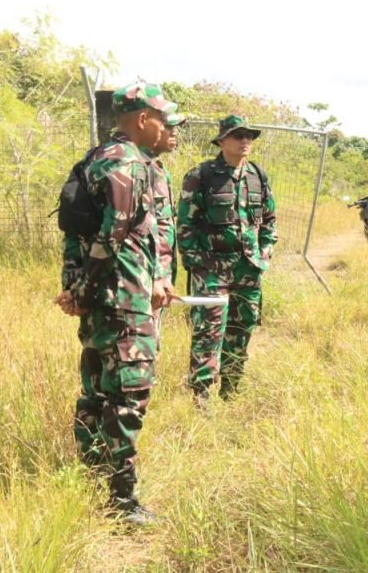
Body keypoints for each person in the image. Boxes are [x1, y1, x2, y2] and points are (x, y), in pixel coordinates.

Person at [54, 82, 177, 526]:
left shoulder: (95, 159)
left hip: (102, 299)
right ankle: (121, 502)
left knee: (95, 388)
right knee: (127, 395)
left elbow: (74, 233)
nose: (165, 127)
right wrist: (84, 289)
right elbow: (112, 236)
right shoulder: (128, 163)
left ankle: (91, 475)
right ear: (143, 119)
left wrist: (75, 286)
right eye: (162, 118)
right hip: (122, 299)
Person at [177, 115, 277, 402]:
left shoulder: (257, 175)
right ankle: (202, 397)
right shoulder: (201, 175)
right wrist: (197, 263)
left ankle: (231, 392)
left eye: (249, 135)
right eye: (238, 135)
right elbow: (185, 225)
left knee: (241, 330)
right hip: (212, 270)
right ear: (222, 140)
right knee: (208, 333)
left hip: (249, 270)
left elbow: (269, 221)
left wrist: (264, 255)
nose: (245, 140)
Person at [146, 112, 186, 338]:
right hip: (142, 280)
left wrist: (163, 275)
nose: (173, 132)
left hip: (157, 277)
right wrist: (155, 276)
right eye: (168, 126)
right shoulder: (137, 168)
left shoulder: (157, 168)